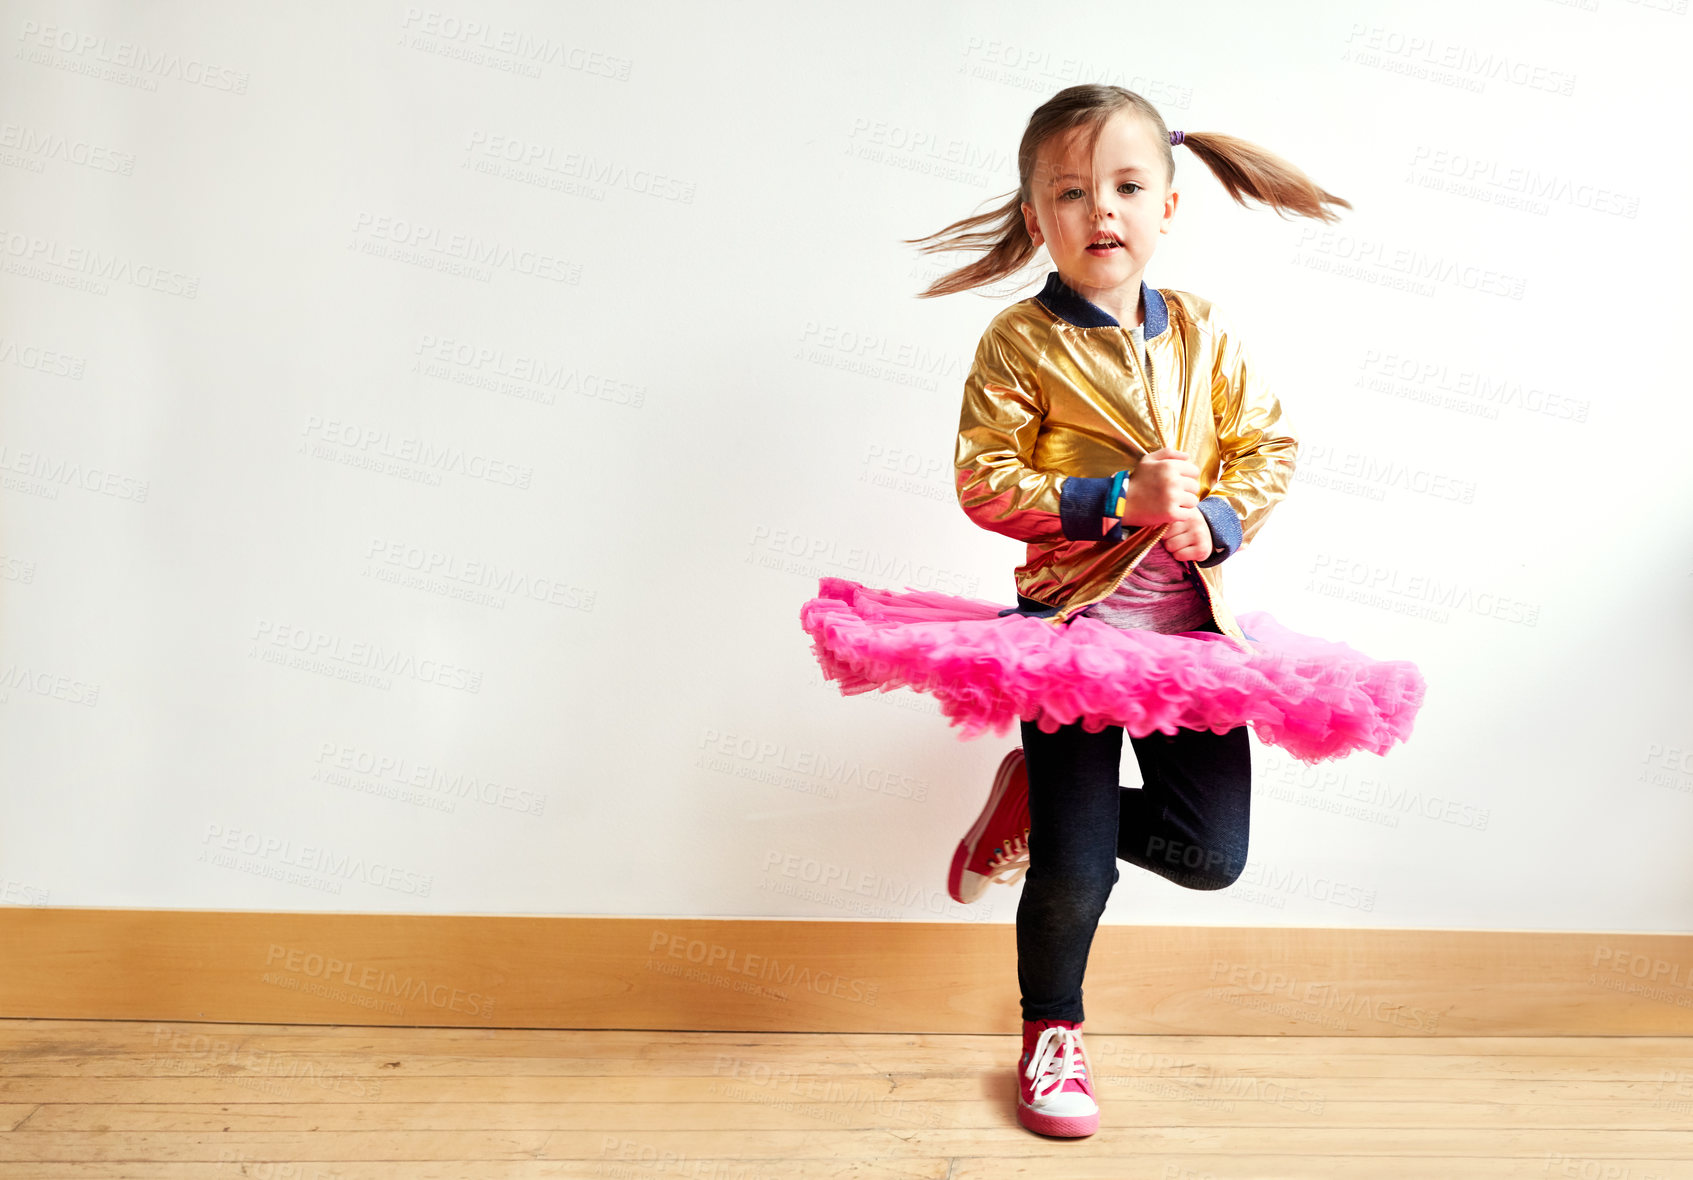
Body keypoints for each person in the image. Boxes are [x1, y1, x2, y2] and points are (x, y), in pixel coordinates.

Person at [797, 84, 1425, 1139]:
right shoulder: (1019, 342)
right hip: (1073, 639)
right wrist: (1105, 505)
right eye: (1073, 192)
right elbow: (984, 480)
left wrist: (1217, 521)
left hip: (1193, 641)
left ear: (1168, 208)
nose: (1103, 211)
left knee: (1211, 853)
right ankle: (1052, 1034)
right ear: (1037, 213)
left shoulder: (1203, 333)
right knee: (1075, 868)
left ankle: (1025, 804)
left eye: (1128, 188)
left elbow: (1267, 447)